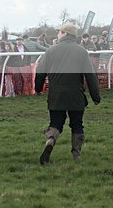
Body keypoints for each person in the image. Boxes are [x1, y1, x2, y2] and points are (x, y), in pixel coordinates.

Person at [34, 24, 101, 165]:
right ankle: (76, 154)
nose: (57, 34)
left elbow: (40, 72)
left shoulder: (51, 51)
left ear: (64, 33)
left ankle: (50, 141)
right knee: (77, 124)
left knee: (55, 124)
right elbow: (90, 76)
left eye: (59, 32)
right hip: (75, 96)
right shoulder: (82, 52)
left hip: (56, 96)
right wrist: (95, 96)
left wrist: (38, 88)